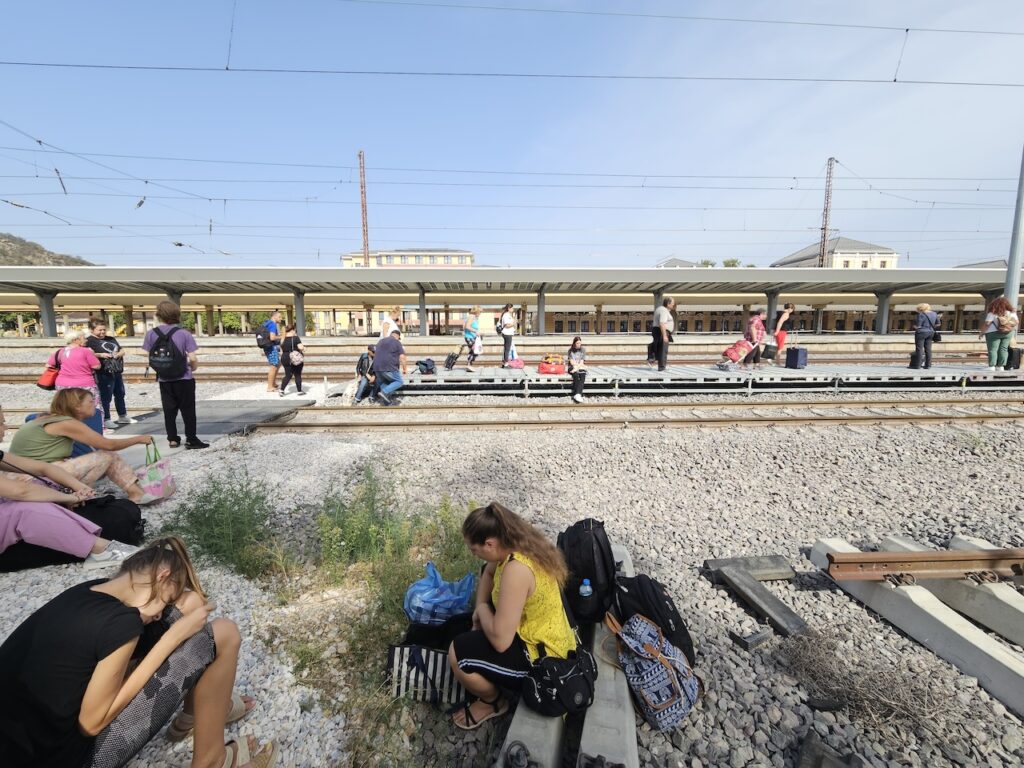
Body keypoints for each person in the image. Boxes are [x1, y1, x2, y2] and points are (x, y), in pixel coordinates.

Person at [0, 536, 276, 768]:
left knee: (189, 606)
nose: (158, 616)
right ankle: (212, 760)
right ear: (162, 575)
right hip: (67, 759)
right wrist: (172, 637)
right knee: (224, 632)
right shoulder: (123, 624)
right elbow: (91, 724)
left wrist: (178, 612)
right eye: (166, 601)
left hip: (18, 743)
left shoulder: (86, 591)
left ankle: (195, 714)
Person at [447, 502, 575, 731]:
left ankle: (493, 702)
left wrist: (482, 611)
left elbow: (500, 641)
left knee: (458, 654)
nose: (473, 554)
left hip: (544, 660)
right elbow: (487, 571)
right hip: (546, 635)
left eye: (474, 550)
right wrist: (480, 610)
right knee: (464, 627)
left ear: (490, 543)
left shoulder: (516, 571)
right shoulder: (515, 543)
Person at [0, 405, 140, 571]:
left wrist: (79, 488)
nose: (6, 427)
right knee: (23, 509)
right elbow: (20, 491)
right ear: (78, 406)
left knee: (40, 486)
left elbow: (44, 468)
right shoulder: (65, 422)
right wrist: (70, 497)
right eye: (2, 422)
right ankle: (100, 549)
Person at [7, 389, 162, 506]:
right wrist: (139, 438)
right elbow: (108, 444)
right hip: (30, 478)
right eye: (90, 401)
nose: (94, 404)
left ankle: (81, 498)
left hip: (21, 475)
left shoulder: (50, 419)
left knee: (97, 459)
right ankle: (134, 494)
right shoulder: (66, 423)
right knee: (107, 455)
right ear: (77, 406)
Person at [142, 301, 209, 450]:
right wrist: (193, 368)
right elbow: (192, 358)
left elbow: (147, 355)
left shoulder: (151, 334)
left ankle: (172, 439)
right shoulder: (184, 333)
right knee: (188, 409)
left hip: (164, 378)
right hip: (184, 378)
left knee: (169, 410)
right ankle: (191, 439)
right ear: (177, 315)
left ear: (159, 315)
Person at [51, 329, 104, 436]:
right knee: (93, 406)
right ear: (76, 340)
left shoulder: (60, 351)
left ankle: (67, 429)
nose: (86, 340)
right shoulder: (86, 351)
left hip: (63, 384)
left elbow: (49, 365)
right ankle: (96, 429)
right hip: (84, 384)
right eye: (83, 338)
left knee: (66, 407)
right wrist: (93, 354)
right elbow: (97, 366)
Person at [86, 318, 135, 430]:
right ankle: (106, 419)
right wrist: (101, 355)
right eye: (100, 330)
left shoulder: (111, 338)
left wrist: (118, 354)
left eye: (104, 329)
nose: (103, 332)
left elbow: (122, 350)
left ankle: (122, 416)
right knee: (105, 396)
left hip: (116, 370)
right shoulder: (89, 341)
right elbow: (87, 354)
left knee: (120, 393)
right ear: (92, 330)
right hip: (102, 372)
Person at [980, 295, 1019, 371]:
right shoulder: (1012, 313)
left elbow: (987, 323)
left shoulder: (993, 312)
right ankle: (1001, 366)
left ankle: (992, 366)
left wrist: (982, 332)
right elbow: (1017, 322)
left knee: (993, 349)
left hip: (993, 333)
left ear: (995, 304)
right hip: (1008, 333)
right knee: (1004, 349)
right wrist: (1009, 327)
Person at [371, 329, 407, 406]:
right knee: (399, 381)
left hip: (377, 367)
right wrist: (404, 368)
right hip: (389, 367)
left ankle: (386, 402)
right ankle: (384, 392)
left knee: (385, 382)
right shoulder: (396, 342)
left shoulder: (381, 341)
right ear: (397, 336)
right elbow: (402, 357)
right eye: (399, 338)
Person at [647, 297, 676, 371]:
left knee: (658, 347)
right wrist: (665, 336)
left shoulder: (661, 309)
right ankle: (662, 367)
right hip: (662, 331)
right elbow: (662, 323)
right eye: (672, 303)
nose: (673, 305)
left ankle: (651, 357)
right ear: (668, 304)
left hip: (658, 331)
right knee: (663, 349)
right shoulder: (664, 311)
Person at [278, 325, 306, 396]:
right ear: (292, 330)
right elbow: (301, 347)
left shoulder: (282, 339)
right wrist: (304, 348)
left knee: (288, 375)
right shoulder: (295, 338)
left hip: (285, 357)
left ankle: (281, 390)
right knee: (297, 374)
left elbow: (281, 350)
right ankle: (299, 391)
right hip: (294, 357)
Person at [911, 302, 941, 370]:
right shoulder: (934, 314)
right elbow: (938, 324)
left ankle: (917, 365)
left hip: (921, 333)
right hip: (931, 332)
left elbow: (918, 326)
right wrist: (931, 326)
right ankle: (928, 365)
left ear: (921, 309)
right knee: (928, 349)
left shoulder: (921, 315)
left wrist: (914, 326)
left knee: (919, 349)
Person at [261, 310, 284, 393]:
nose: (281, 319)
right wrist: (282, 336)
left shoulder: (267, 323)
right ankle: (270, 387)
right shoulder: (273, 324)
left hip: (269, 347)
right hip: (271, 347)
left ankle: (273, 383)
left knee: (278, 364)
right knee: (274, 366)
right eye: (279, 317)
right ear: (274, 317)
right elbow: (272, 338)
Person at [567, 336, 587, 403]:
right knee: (575, 375)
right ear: (574, 343)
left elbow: (582, 362)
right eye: (577, 343)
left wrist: (577, 368)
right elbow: (572, 362)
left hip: (580, 366)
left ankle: (577, 394)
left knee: (582, 375)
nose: (579, 345)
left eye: (580, 343)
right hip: (572, 367)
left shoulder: (583, 350)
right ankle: (578, 394)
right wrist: (575, 368)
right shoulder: (570, 351)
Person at [464, 306, 482, 372]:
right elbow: (467, 327)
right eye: (480, 312)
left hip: (472, 337)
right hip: (469, 337)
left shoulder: (474, 317)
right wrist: (475, 331)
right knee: (474, 351)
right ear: (476, 311)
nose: (480, 313)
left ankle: (469, 365)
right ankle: (469, 365)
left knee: (474, 351)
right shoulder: (471, 317)